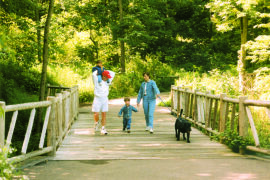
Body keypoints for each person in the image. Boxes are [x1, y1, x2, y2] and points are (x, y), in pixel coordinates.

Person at [92, 69, 115, 135]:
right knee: (96, 113)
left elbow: (112, 73)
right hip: (97, 98)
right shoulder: (97, 81)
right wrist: (99, 71)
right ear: (103, 76)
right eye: (106, 77)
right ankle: (96, 122)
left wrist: (104, 69)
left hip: (104, 99)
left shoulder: (108, 81)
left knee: (104, 114)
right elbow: (93, 74)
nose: (108, 78)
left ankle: (103, 128)